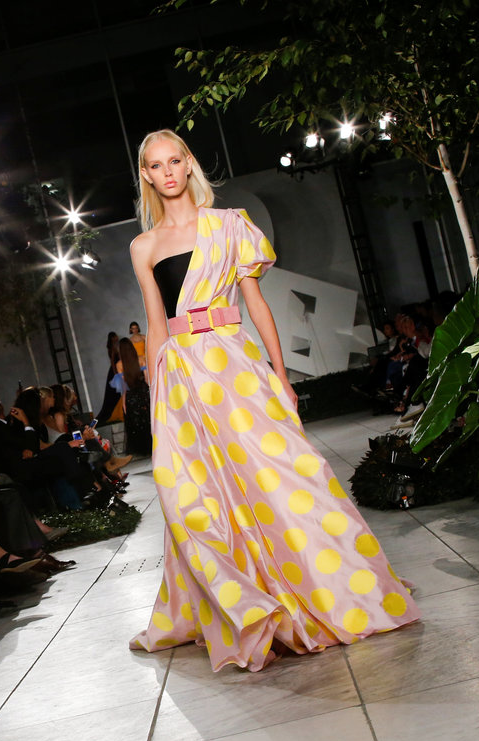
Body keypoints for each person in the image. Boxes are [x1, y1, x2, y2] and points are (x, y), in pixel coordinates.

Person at [126, 130, 420, 672]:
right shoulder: (143, 247)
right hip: (183, 379)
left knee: (283, 474)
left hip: (235, 368)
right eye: (156, 165)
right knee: (195, 495)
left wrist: (281, 375)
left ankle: (334, 585)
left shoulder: (229, 225)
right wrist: (156, 393)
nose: (167, 172)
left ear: (188, 164)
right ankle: (247, 603)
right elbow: (156, 322)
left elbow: (256, 304)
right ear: (146, 174)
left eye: (175, 160)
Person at [119, 339, 151, 455]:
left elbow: (124, 386)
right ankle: (152, 446)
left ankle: (140, 450)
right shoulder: (141, 359)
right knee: (148, 420)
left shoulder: (119, 365)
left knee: (136, 423)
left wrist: (124, 402)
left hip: (131, 396)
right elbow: (147, 379)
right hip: (143, 393)